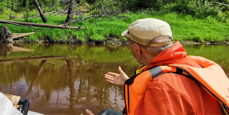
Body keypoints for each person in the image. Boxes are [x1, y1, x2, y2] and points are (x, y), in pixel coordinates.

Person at [86, 18, 229, 115]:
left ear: (137, 48)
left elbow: (169, 94)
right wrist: (128, 83)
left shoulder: (162, 88)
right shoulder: (199, 64)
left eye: (129, 44)